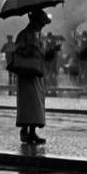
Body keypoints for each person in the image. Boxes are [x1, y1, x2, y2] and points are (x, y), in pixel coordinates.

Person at [14, 9, 54, 145]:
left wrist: (51, 53)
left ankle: (33, 131)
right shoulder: (23, 35)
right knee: (27, 103)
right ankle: (24, 131)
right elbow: (17, 52)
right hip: (26, 74)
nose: (42, 26)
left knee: (37, 103)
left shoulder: (39, 36)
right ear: (35, 21)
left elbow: (43, 54)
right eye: (41, 23)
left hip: (37, 73)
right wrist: (28, 49)